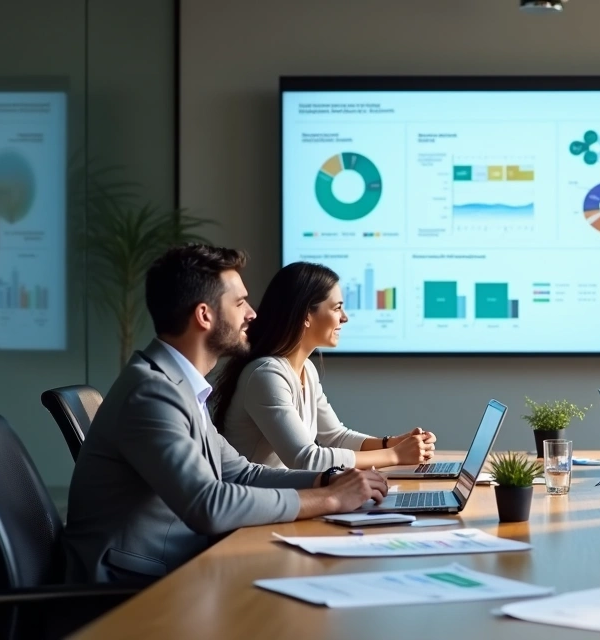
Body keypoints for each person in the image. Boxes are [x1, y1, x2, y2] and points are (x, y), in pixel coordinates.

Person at [63, 245, 389, 586]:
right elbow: (208, 505)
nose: (252, 314)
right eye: (239, 303)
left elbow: (241, 474)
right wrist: (331, 498)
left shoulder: (179, 386)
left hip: (175, 566)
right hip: (131, 584)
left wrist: (326, 480)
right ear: (204, 315)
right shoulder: (151, 394)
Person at [211, 262, 436, 471]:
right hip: (258, 505)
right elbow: (307, 459)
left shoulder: (306, 370)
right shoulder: (266, 374)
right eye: (337, 308)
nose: (344, 318)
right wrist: (394, 456)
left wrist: (391, 444)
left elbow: (336, 436)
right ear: (306, 315)